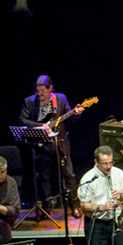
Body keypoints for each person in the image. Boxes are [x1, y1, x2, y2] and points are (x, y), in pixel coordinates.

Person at [19, 74, 84, 218]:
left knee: (69, 174)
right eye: (37, 91)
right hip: (41, 144)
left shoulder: (60, 99)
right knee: (44, 177)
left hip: (59, 143)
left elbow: (69, 121)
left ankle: (75, 206)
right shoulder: (29, 102)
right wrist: (41, 126)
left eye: (42, 90)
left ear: (50, 89)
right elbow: (22, 120)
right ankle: (46, 209)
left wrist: (76, 114)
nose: (39, 94)